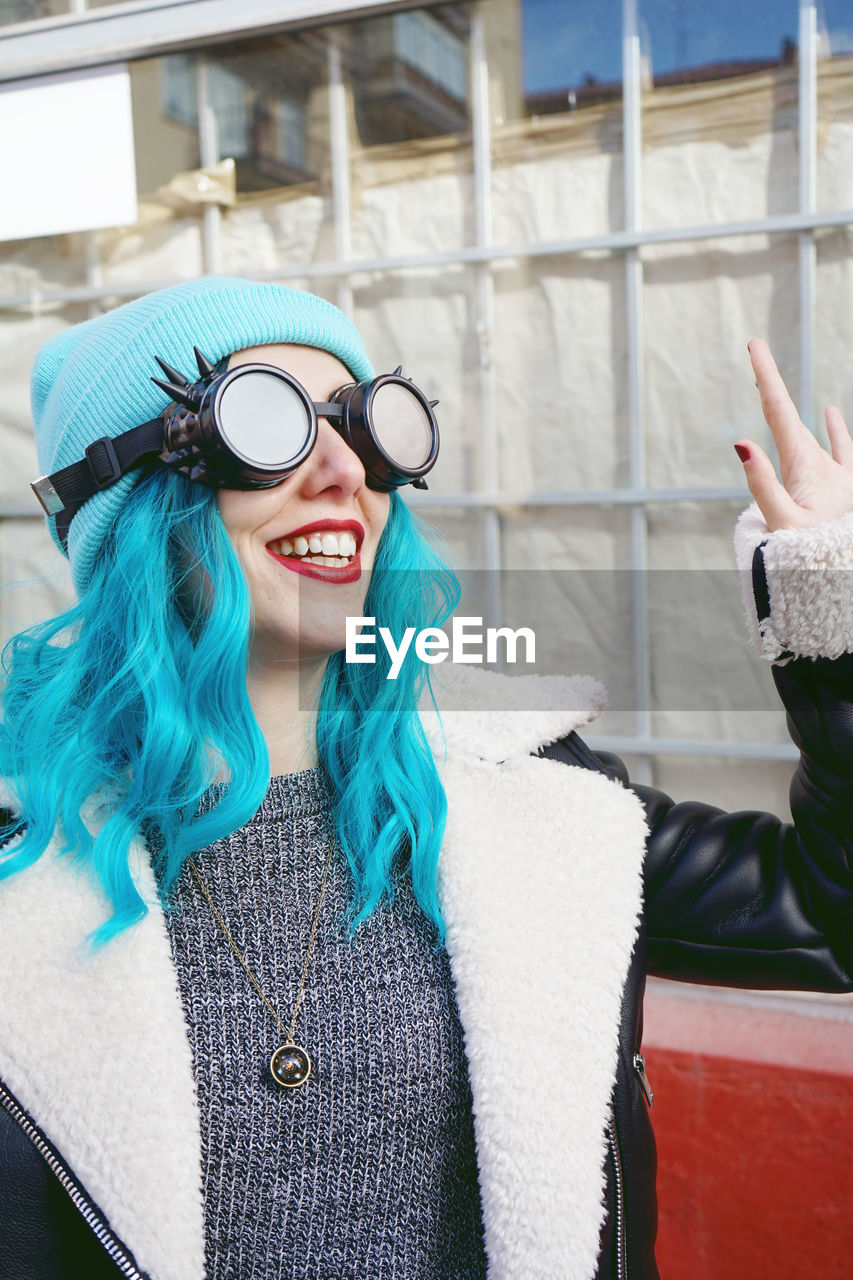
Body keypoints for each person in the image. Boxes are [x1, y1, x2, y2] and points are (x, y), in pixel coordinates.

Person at [0, 276, 850, 1280]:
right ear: (132, 500)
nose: (338, 473)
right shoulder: (23, 864)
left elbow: (826, 914)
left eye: (364, 431)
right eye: (264, 421)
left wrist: (829, 622)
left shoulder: (530, 800)